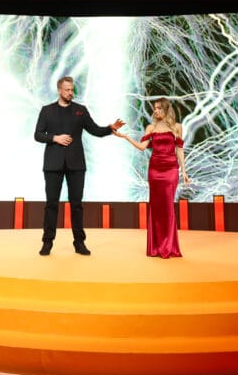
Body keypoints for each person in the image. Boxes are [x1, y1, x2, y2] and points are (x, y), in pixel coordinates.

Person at [34, 76, 124, 256]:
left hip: (76, 165)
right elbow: (37, 134)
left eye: (72, 89)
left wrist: (110, 127)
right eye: (67, 89)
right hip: (53, 164)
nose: (70, 92)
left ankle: (79, 242)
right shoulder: (47, 110)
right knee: (51, 204)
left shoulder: (80, 111)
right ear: (59, 90)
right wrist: (55, 138)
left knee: (76, 205)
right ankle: (47, 242)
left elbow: (96, 130)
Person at [115, 98, 190, 258]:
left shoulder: (177, 127)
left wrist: (183, 170)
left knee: (168, 206)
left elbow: (180, 150)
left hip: (171, 169)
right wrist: (126, 137)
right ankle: (156, 247)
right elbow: (142, 147)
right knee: (156, 207)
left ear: (166, 110)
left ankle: (169, 247)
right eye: (155, 108)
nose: (156, 111)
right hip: (155, 170)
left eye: (159, 108)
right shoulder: (151, 127)